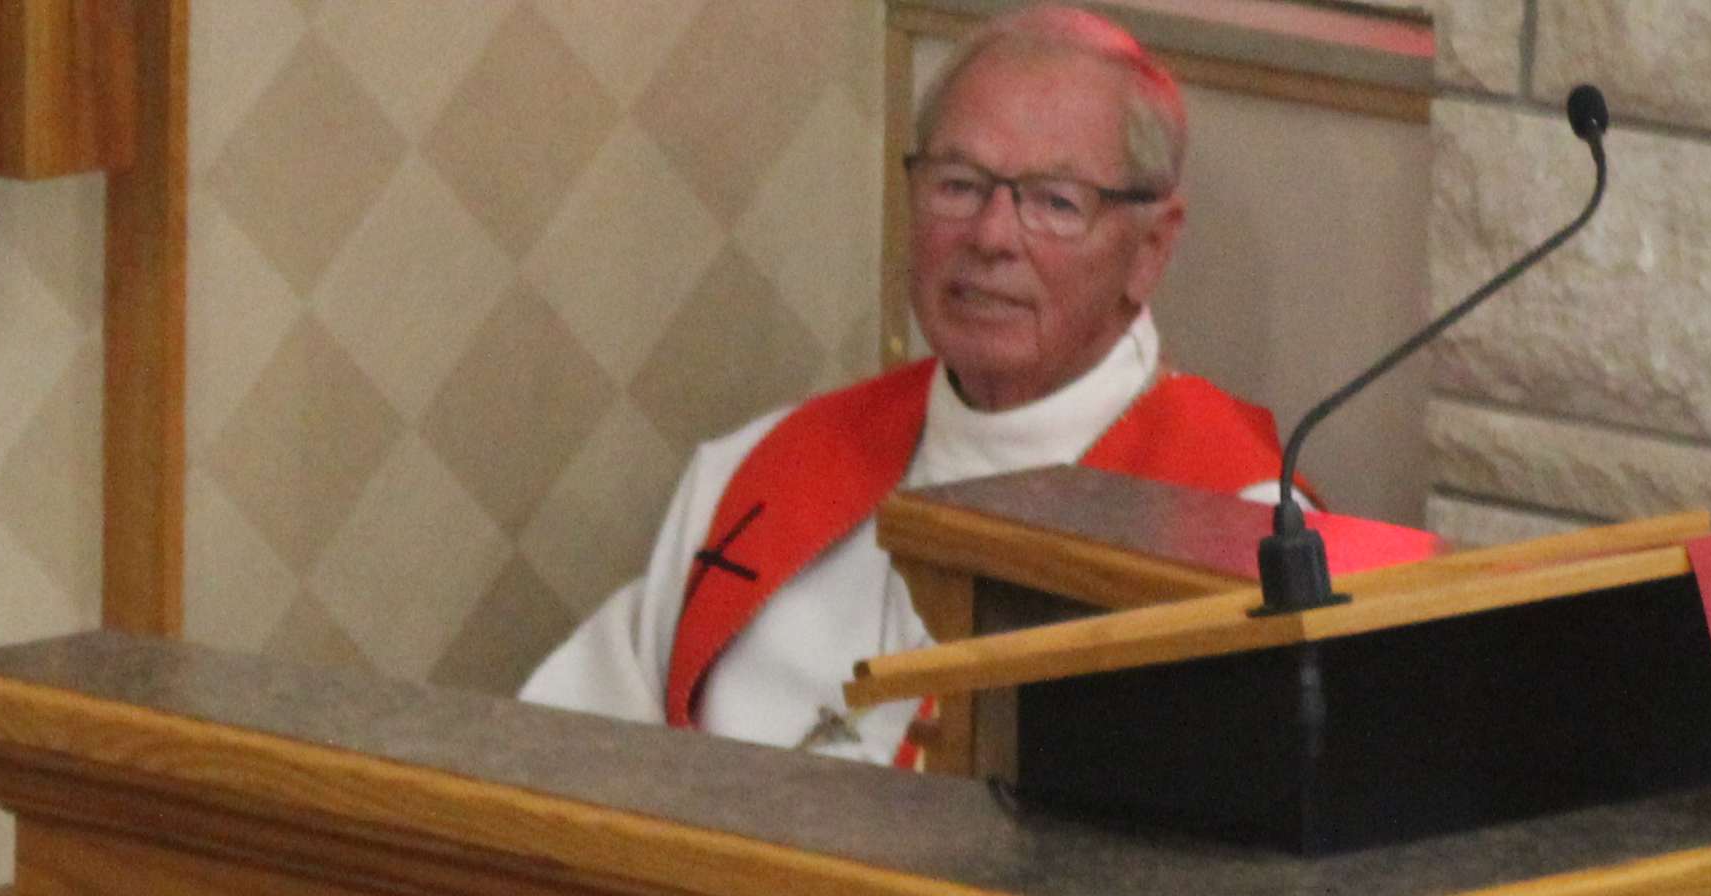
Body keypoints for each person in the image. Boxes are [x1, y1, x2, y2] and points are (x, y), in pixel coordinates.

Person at [521, 8, 1412, 762]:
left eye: (1054, 202)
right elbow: (559, 756)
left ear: (1151, 249)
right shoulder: (757, 472)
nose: (991, 235)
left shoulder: (1244, 530)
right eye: (959, 184)